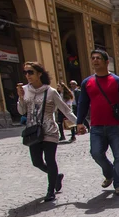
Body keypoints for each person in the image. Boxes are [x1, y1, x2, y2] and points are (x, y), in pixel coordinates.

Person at [76, 49, 119, 196]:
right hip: (96, 126)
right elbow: (82, 103)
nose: (95, 60)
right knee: (96, 153)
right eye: (93, 58)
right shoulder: (87, 82)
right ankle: (109, 173)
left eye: (98, 58)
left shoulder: (117, 81)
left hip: (116, 125)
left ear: (106, 62)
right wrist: (79, 122)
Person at [17, 62, 76, 201]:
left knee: (50, 160)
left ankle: (51, 191)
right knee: (36, 161)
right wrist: (20, 97)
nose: (27, 75)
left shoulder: (51, 91)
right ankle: (56, 176)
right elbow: (21, 111)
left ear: (39, 74)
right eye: (25, 72)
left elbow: (65, 110)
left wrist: (79, 123)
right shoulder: (25, 90)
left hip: (49, 130)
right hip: (33, 131)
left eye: (30, 72)